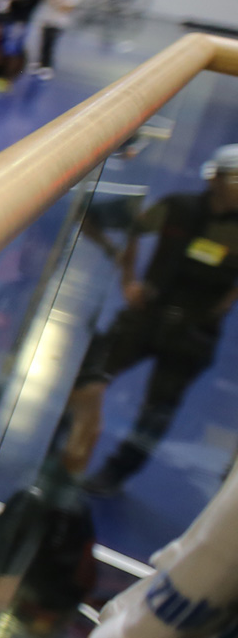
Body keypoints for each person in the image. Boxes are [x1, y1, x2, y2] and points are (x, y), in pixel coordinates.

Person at [62, 147, 238, 497]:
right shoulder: (179, 207)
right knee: (89, 375)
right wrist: (127, 276)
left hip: (194, 330)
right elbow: (130, 227)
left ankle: (116, 471)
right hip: (148, 313)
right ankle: (62, 446)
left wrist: (218, 309)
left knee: (159, 409)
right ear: (216, 178)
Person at [36, 0, 83, 78]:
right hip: (48, 19)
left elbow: (67, 7)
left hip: (59, 23)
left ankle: (47, 67)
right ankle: (40, 63)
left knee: (50, 45)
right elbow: (50, 0)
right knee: (43, 43)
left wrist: (57, 2)